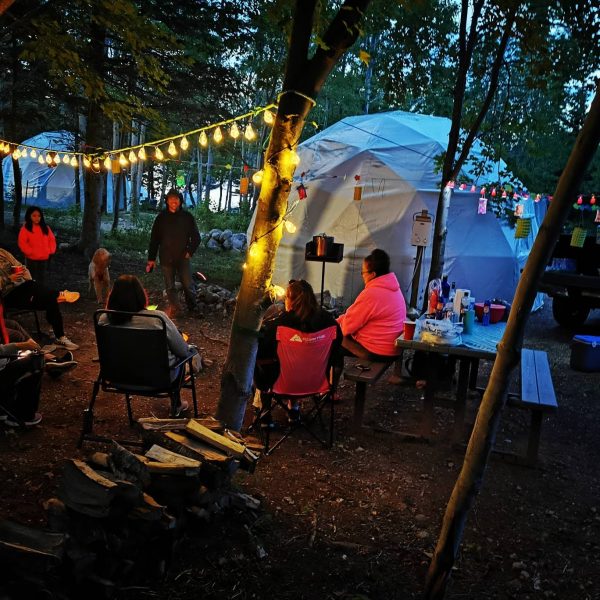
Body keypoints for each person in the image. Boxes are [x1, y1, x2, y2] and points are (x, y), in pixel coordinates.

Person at [101, 274, 200, 415]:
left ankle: (176, 403)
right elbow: (182, 351)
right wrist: (191, 350)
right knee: (188, 355)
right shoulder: (155, 319)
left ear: (113, 296)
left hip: (117, 378)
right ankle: (176, 404)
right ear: (140, 295)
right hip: (159, 380)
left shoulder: (103, 319)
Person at [255, 279, 343, 419]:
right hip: (316, 384)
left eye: (285, 299)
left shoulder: (277, 325)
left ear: (290, 301)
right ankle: (293, 409)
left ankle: (265, 414)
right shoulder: (329, 323)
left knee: (263, 363)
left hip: (281, 385)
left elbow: (260, 356)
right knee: (298, 361)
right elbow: (337, 359)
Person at [0, 248, 80, 350]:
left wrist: (23, 274)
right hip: (6, 295)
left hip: (20, 286)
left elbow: (19, 265)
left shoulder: (2, 252)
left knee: (47, 296)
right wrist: (8, 279)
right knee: (51, 298)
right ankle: (60, 335)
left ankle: (60, 337)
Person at [337, 249, 406, 361]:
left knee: (333, 336)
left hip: (377, 351)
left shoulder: (371, 294)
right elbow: (353, 317)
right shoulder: (394, 288)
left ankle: (331, 377)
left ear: (373, 274)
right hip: (393, 348)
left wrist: (336, 323)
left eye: (363, 272)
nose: (362, 276)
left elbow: (346, 328)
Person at [146, 189, 200, 317]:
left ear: (180, 201)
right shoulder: (161, 218)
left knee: (188, 284)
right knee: (170, 286)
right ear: (167, 201)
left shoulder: (187, 217)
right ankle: (176, 309)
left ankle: (193, 308)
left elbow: (196, 238)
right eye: (171, 198)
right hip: (166, 257)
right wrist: (151, 259)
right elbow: (154, 239)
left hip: (183, 257)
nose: (174, 201)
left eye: (176, 199)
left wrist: (189, 252)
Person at [18, 206, 57, 286]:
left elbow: (52, 240)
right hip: (31, 258)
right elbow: (22, 242)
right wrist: (30, 252)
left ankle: (40, 294)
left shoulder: (45, 228)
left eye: (39, 216)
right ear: (29, 216)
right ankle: (30, 294)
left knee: (42, 278)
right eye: (34, 216)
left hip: (44, 258)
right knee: (30, 277)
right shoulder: (25, 228)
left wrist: (50, 250)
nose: (37, 218)